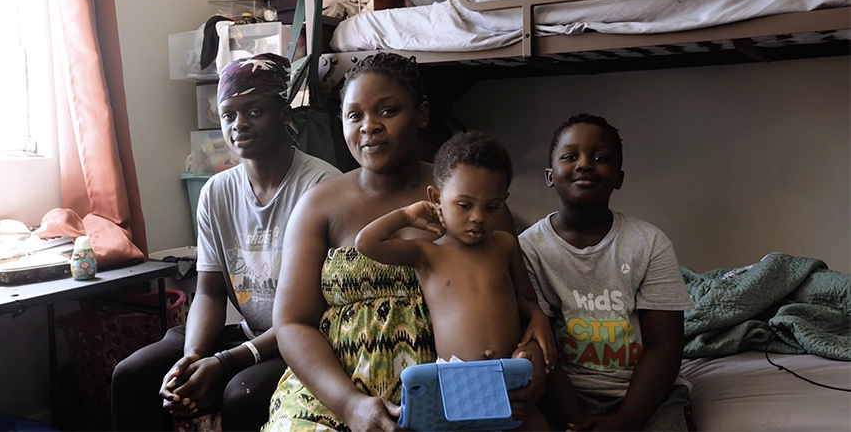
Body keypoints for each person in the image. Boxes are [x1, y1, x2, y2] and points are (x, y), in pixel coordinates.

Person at [263, 52, 548, 432]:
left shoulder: (472, 196)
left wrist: (529, 365)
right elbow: (291, 323)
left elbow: (518, 303)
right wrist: (349, 404)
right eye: (354, 116)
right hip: (332, 396)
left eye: (387, 111)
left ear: (422, 115)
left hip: (449, 397)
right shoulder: (318, 205)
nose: (369, 127)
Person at [110, 53, 340, 432]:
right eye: (229, 114)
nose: (239, 125)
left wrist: (229, 361)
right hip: (249, 333)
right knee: (132, 375)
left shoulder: (321, 189)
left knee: (242, 393)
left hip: (305, 338)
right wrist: (194, 358)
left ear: (285, 115)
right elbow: (211, 293)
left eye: (254, 111)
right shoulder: (216, 192)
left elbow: (312, 312)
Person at [355, 131, 554, 431]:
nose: (478, 218)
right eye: (464, 205)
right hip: (456, 379)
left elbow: (524, 298)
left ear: (504, 202)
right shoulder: (427, 254)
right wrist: (408, 215)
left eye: (491, 207)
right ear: (436, 198)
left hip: (509, 373)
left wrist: (537, 316)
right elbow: (366, 242)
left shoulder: (505, 244)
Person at [518, 113, 695, 432]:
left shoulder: (649, 242)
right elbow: (542, 348)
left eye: (600, 158)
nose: (585, 164)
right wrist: (577, 421)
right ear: (550, 175)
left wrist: (626, 420)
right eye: (570, 157)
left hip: (644, 395)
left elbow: (664, 346)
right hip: (561, 395)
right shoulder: (528, 249)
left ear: (619, 177)